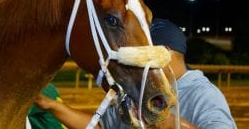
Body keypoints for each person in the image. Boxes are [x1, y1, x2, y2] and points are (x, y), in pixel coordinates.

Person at [34, 18, 237, 129]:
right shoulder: (139, 91)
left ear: (164, 53)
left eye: (142, 53)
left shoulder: (203, 95)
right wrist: (51, 106)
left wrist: (175, 125)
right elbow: (99, 126)